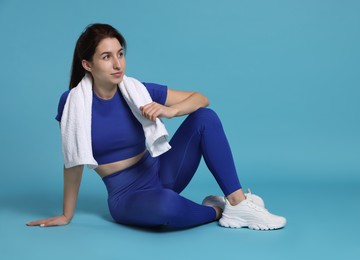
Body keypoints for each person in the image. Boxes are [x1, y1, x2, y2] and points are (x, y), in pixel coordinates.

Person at [26, 23, 286, 231]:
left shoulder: (137, 91)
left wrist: (170, 111)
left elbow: (200, 98)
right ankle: (217, 210)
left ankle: (237, 203)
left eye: (120, 54)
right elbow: (73, 160)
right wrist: (66, 214)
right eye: (106, 57)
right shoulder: (73, 103)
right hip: (126, 195)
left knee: (205, 117)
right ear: (87, 64)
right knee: (166, 206)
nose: (118, 64)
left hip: (163, 172)